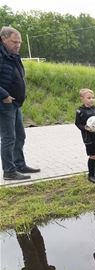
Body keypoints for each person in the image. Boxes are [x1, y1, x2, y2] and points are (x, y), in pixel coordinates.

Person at [0, 26, 40, 180]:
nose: (17, 45)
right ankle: (9, 171)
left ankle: (19, 164)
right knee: (8, 137)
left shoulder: (12, 55)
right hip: (4, 103)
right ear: (3, 39)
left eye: (20, 42)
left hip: (15, 103)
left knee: (20, 135)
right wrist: (4, 95)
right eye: (14, 42)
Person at [75, 88, 95, 183]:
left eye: (93, 97)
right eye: (89, 98)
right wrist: (85, 128)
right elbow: (78, 124)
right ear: (82, 98)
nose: (91, 99)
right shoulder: (80, 111)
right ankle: (91, 175)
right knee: (92, 156)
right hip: (89, 137)